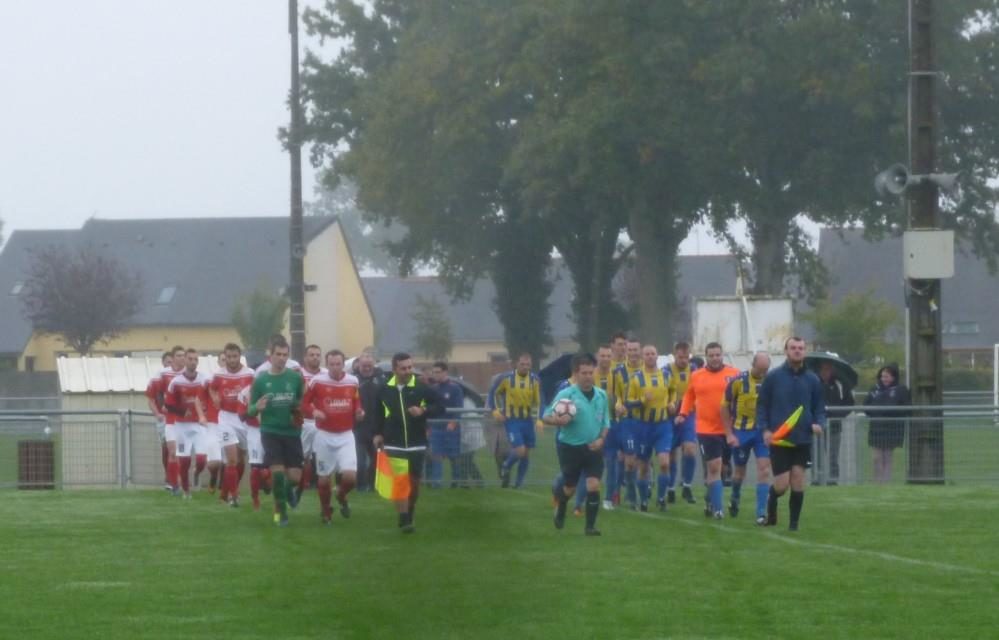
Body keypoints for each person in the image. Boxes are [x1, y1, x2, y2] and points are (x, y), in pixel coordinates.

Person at [757, 337, 826, 531]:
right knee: (781, 485)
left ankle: (793, 525)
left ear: (805, 351)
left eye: (801, 348)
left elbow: (819, 408)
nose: (797, 351)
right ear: (786, 351)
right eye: (793, 348)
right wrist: (765, 429)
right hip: (780, 439)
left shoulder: (813, 379)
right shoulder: (773, 377)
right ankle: (772, 503)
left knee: (798, 480)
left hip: (803, 439)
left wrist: (819, 423)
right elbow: (762, 406)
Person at [374, 352, 442, 533]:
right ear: (395, 369)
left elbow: (439, 406)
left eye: (410, 367)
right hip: (393, 442)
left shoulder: (420, 387)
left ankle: (409, 510)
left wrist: (423, 410)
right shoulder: (383, 389)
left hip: (416, 442)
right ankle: (404, 519)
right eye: (403, 368)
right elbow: (377, 414)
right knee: (400, 482)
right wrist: (378, 434)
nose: (407, 371)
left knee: (414, 483)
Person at [545, 353, 610, 536]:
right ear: (576, 373)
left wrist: (601, 439)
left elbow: (606, 422)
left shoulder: (602, 395)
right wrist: (557, 420)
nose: (588, 376)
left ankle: (590, 527)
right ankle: (562, 502)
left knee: (593, 485)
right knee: (570, 488)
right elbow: (546, 416)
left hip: (594, 447)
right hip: (570, 448)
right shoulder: (566, 394)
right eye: (584, 373)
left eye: (591, 372)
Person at [246, 337, 306, 527]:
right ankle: (281, 511)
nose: (282, 358)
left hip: (292, 433)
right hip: (270, 431)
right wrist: (258, 406)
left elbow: (299, 402)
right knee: (278, 474)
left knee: (295, 478)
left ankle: (288, 492)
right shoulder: (261, 380)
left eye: (285, 355)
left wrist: (297, 412)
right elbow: (249, 410)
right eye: (278, 354)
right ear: (269, 356)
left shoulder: (295, 378)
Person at [677, 342, 740, 519]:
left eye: (717, 355)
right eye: (711, 355)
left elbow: (742, 396)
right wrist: (683, 413)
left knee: (724, 469)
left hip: (728, 428)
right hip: (706, 429)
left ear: (722, 355)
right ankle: (718, 510)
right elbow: (689, 395)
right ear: (706, 357)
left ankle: (709, 498)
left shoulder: (734, 374)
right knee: (714, 466)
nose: (714, 358)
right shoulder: (697, 375)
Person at [304, 349, 363, 524]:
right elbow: (304, 402)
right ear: (327, 364)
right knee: (323, 479)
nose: (335, 367)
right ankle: (325, 511)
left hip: (345, 435)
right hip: (324, 435)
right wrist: (314, 411)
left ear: (343, 364)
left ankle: (341, 494)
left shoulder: (352, 381)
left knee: (350, 477)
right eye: (331, 364)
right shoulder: (317, 381)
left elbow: (356, 401)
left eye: (338, 364)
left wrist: (359, 411)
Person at [721, 352, 772, 525]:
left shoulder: (770, 382)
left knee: (764, 469)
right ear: (753, 365)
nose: (763, 373)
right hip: (741, 431)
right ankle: (735, 497)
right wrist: (728, 434)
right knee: (739, 472)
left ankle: (761, 513)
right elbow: (724, 406)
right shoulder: (738, 381)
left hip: (762, 432)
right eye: (760, 369)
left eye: (766, 369)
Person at [208, 343, 255, 507]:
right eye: (229, 357)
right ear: (225, 357)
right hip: (226, 418)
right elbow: (212, 389)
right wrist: (214, 397)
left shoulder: (250, 374)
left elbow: (256, 391)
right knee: (232, 459)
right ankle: (234, 497)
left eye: (235, 356)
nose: (232, 360)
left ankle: (224, 494)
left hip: (243, 419)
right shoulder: (219, 374)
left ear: (239, 356)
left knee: (241, 459)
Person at [626, 344, 672, 512]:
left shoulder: (666, 375)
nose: (650, 356)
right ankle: (644, 499)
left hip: (663, 425)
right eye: (647, 354)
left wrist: (672, 403)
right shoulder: (636, 378)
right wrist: (642, 401)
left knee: (664, 463)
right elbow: (628, 403)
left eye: (653, 353)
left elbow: (672, 393)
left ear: (657, 356)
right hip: (643, 426)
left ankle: (661, 498)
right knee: (643, 466)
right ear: (642, 357)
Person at [488, 353, 542, 489]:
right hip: (512, 420)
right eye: (522, 364)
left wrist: (540, 419)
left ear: (531, 365)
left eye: (527, 364)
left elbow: (541, 400)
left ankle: (518, 484)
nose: (525, 367)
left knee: (526, 453)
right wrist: (495, 410)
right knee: (520, 450)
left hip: (527, 420)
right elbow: (493, 393)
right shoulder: (506, 378)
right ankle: (506, 466)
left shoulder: (535, 379)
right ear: (516, 364)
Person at [165, 348, 210, 499]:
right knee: (184, 461)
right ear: (185, 360)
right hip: (182, 427)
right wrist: (182, 412)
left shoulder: (204, 379)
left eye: (195, 359)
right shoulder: (176, 382)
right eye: (190, 359)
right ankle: (186, 491)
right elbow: (168, 405)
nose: (192, 362)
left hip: (199, 425)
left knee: (202, 460)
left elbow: (211, 397)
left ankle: (197, 472)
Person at [863, 364, 910, 483]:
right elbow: (866, 405)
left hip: (892, 428)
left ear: (893, 377)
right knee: (876, 457)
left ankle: (885, 483)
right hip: (876, 428)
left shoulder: (900, 390)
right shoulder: (875, 389)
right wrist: (874, 413)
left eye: (887, 376)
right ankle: (877, 481)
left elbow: (906, 408)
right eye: (883, 376)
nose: (884, 379)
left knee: (887, 457)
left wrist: (890, 412)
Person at [665, 341, 699, 504]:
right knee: (671, 455)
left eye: (686, 357)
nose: (683, 360)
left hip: (688, 415)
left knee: (690, 449)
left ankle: (686, 485)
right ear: (674, 355)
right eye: (680, 357)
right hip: (670, 416)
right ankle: (670, 488)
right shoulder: (666, 371)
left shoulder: (694, 370)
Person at [613, 339, 644, 509]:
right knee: (629, 458)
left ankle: (620, 490)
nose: (632, 353)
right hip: (626, 420)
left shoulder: (647, 369)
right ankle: (630, 496)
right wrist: (618, 403)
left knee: (634, 459)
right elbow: (617, 394)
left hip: (644, 421)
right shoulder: (618, 371)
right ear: (626, 351)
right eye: (630, 350)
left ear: (640, 351)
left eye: (635, 350)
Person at [295, 344, 327, 502]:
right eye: (311, 355)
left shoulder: (326, 374)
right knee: (303, 458)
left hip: (322, 424)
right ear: (305, 358)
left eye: (317, 355)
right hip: (304, 422)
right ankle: (303, 485)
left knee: (323, 457)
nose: (315, 357)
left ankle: (323, 491)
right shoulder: (298, 374)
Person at [429, 362, 467, 488]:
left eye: (438, 372)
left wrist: (454, 422)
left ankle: (456, 482)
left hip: (451, 429)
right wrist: (429, 426)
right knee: (436, 456)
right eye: (434, 372)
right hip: (436, 428)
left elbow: (459, 408)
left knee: (454, 456)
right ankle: (436, 483)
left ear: (445, 372)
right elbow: (430, 409)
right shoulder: (433, 389)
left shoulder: (455, 388)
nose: (435, 374)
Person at [819, 361, 855, 485]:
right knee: (817, 454)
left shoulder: (840, 385)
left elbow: (849, 403)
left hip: (835, 426)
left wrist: (838, 414)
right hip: (818, 426)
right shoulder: (814, 383)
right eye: (823, 369)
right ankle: (817, 479)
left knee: (833, 455)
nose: (825, 372)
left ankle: (833, 480)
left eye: (828, 369)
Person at [354, 352, 384, 491]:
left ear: (373, 364)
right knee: (359, 461)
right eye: (364, 365)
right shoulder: (353, 380)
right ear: (359, 364)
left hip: (376, 427)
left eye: (369, 365)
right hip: (357, 427)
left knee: (376, 460)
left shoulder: (382, 379)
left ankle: (373, 485)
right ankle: (360, 486)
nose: (366, 368)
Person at [144, 350, 175, 490]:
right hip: (164, 420)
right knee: (166, 449)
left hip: (178, 420)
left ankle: (175, 478)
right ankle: (169, 477)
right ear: (163, 363)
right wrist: (157, 414)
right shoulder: (158, 379)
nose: (170, 365)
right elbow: (150, 399)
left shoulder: (180, 378)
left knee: (178, 450)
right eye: (168, 362)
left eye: (172, 362)